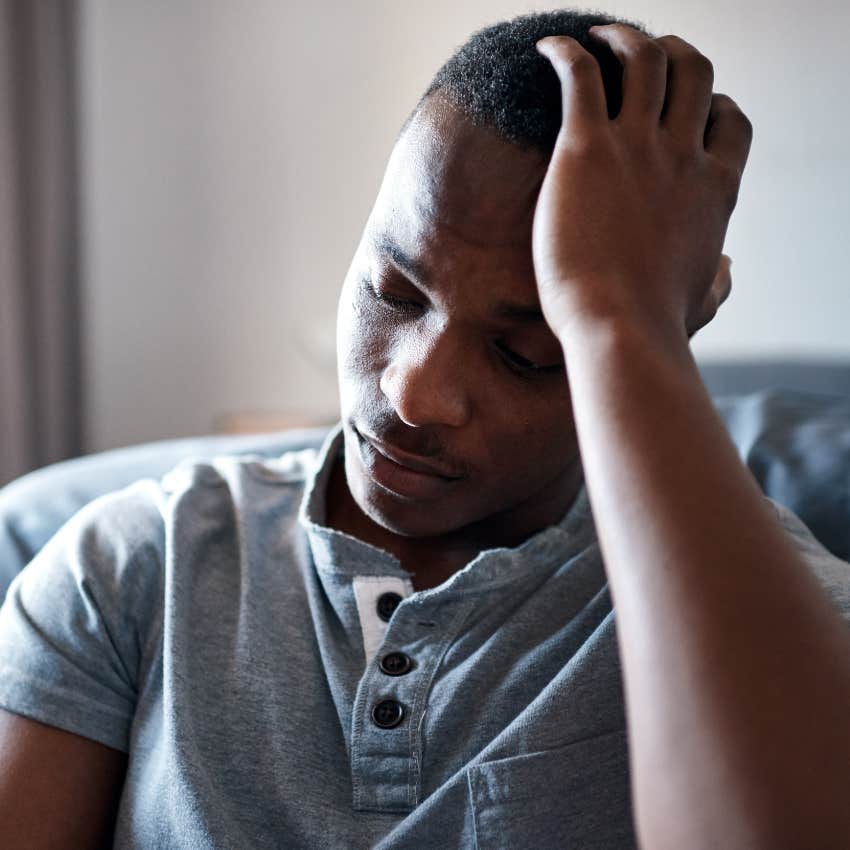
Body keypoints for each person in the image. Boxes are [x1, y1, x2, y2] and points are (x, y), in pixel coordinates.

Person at [1, 9, 849, 849]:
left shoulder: (788, 611)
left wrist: (625, 321)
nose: (415, 393)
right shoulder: (131, 567)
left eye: (526, 353)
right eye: (393, 291)